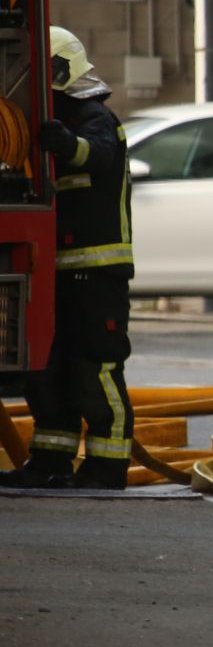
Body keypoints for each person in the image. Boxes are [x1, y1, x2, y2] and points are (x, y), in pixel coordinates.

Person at [0, 27, 134, 489]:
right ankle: (50, 460)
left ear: (57, 70)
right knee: (49, 371)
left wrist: (65, 143)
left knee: (94, 370)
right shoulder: (38, 122)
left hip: (97, 274)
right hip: (53, 272)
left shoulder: (96, 118)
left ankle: (107, 467)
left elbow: (97, 155)